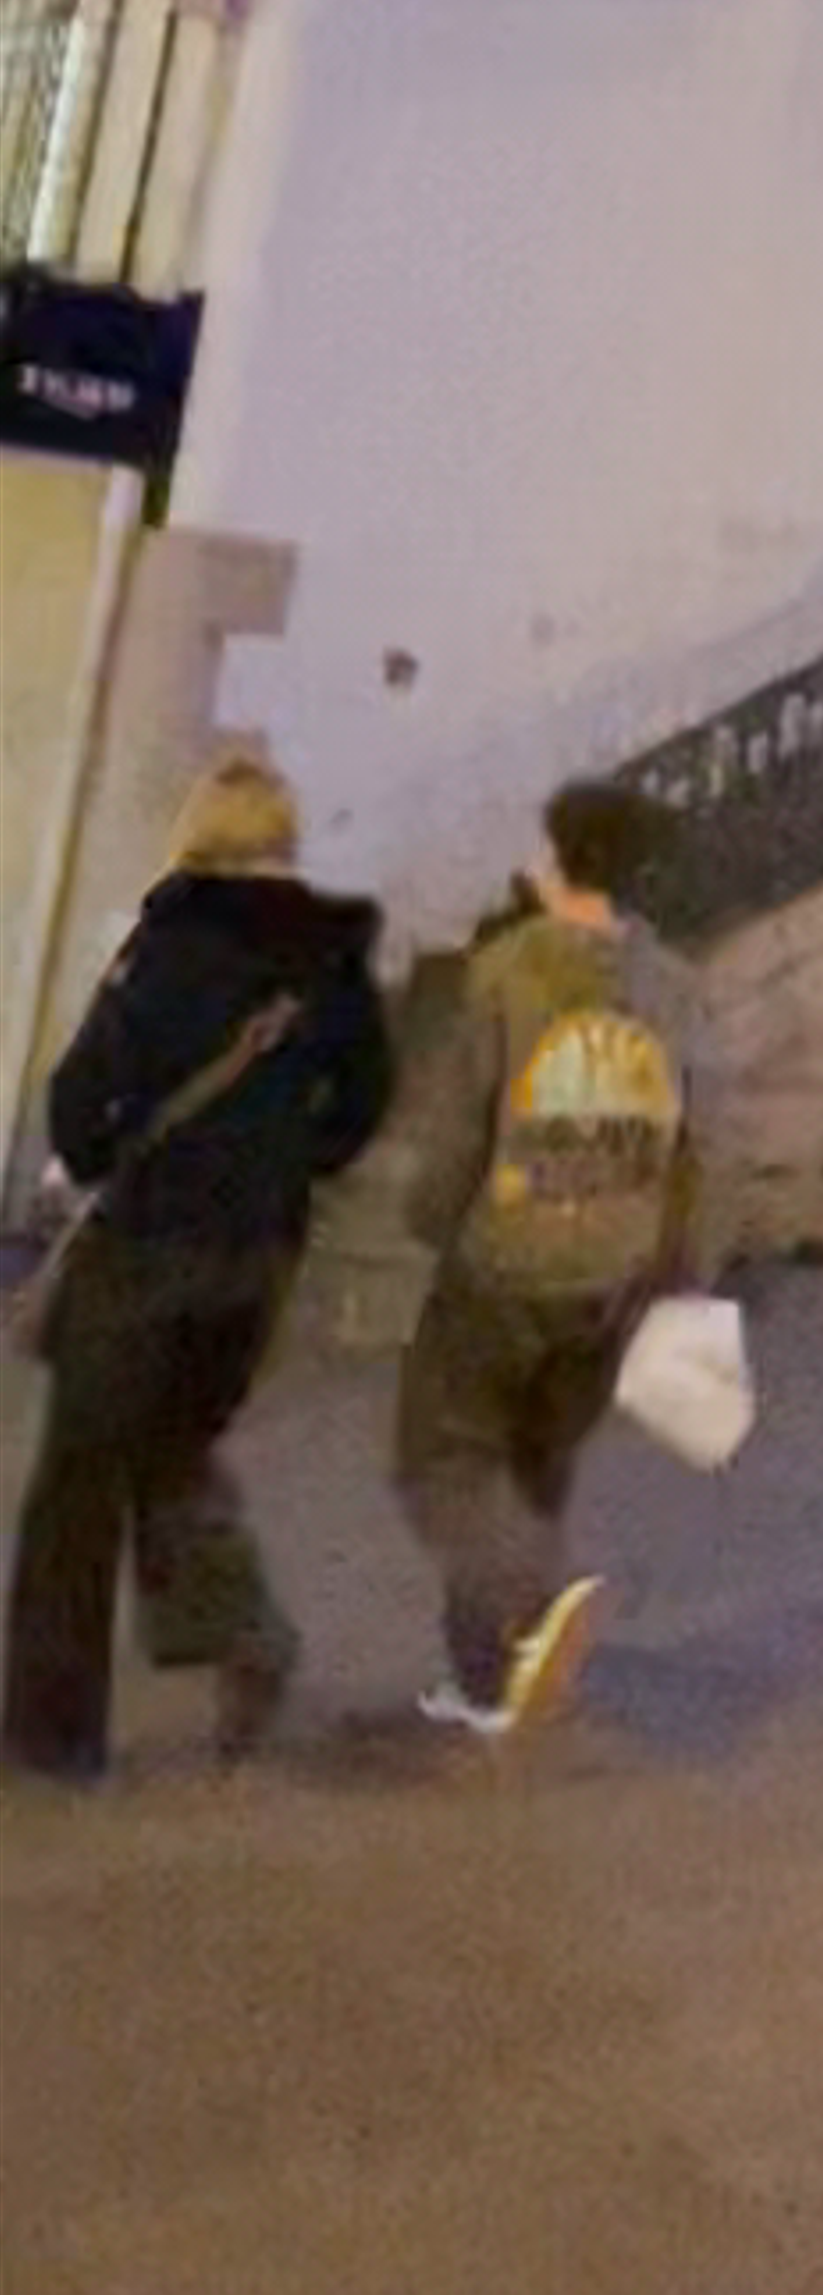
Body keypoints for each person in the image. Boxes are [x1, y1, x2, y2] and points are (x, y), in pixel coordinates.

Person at [3, 746, 394, 1786]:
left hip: (149, 1252)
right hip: (257, 1261)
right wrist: (288, 1167)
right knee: (173, 1456)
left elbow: (82, 1109)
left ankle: (53, 1739)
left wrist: (113, 1159)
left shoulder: (164, 944)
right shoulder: (334, 960)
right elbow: (363, 1102)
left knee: (76, 1493)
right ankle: (245, 1637)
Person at [389, 778, 705, 1741]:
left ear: (559, 853)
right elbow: (705, 1134)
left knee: (441, 1454)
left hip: (509, 1258)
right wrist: (681, 1258)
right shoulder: (671, 984)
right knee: (535, 1459)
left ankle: (525, 1606)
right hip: (615, 1262)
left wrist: (433, 1214)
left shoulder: (511, 970)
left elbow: (462, 1121)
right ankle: (492, 1679)